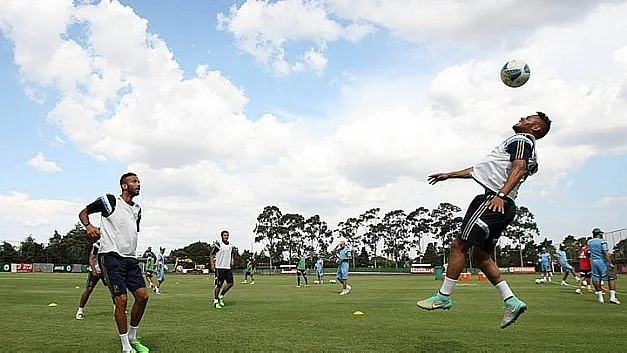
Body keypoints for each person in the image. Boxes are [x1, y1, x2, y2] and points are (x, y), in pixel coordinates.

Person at [416, 112, 552, 329]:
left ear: (535, 128)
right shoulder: (520, 145)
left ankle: (444, 296)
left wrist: (501, 195)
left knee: (458, 246)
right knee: (481, 256)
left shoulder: (522, 140)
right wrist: (449, 175)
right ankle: (512, 301)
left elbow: (520, 167)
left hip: (493, 200)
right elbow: (477, 171)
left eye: (528, 118)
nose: (522, 118)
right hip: (502, 204)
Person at [78, 172, 150, 353]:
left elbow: (131, 232)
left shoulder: (137, 209)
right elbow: (83, 212)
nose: (138, 184)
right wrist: (89, 226)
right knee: (121, 300)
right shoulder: (110, 201)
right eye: (134, 181)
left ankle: (133, 337)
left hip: (131, 259)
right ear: (124, 186)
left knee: (143, 297)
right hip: (110, 257)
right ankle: (126, 347)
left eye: (139, 181)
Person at [76, 240, 110, 319]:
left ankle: (117, 309)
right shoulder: (97, 244)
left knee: (114, 289)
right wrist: (94, 270)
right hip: (96, 270)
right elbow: (91, 258)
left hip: (106, 271)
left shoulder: (111, 243)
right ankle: (80, 311)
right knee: (89, 289)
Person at [587, 228, 620, 304]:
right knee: (611, 277)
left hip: (594, 262)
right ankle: (612, 297)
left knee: (596, 279)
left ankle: (600, 297)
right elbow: (605, 252)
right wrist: (610, 262)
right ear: (599, 234)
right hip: (603, 261)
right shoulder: (602, 241)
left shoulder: (589, 242)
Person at [211, 230, 234, 309]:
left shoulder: (230, 245)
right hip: (219, 267)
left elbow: (231, 254)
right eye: (224, 235)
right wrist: (212, 265)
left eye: (227, 235)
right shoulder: (218, 245)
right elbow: (212, 254)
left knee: (230, 283)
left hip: (227, 268)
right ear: (222, 236)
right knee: (218, 285)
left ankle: (221, 296)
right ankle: (215, 300)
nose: (226, 237)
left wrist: (232, 260)